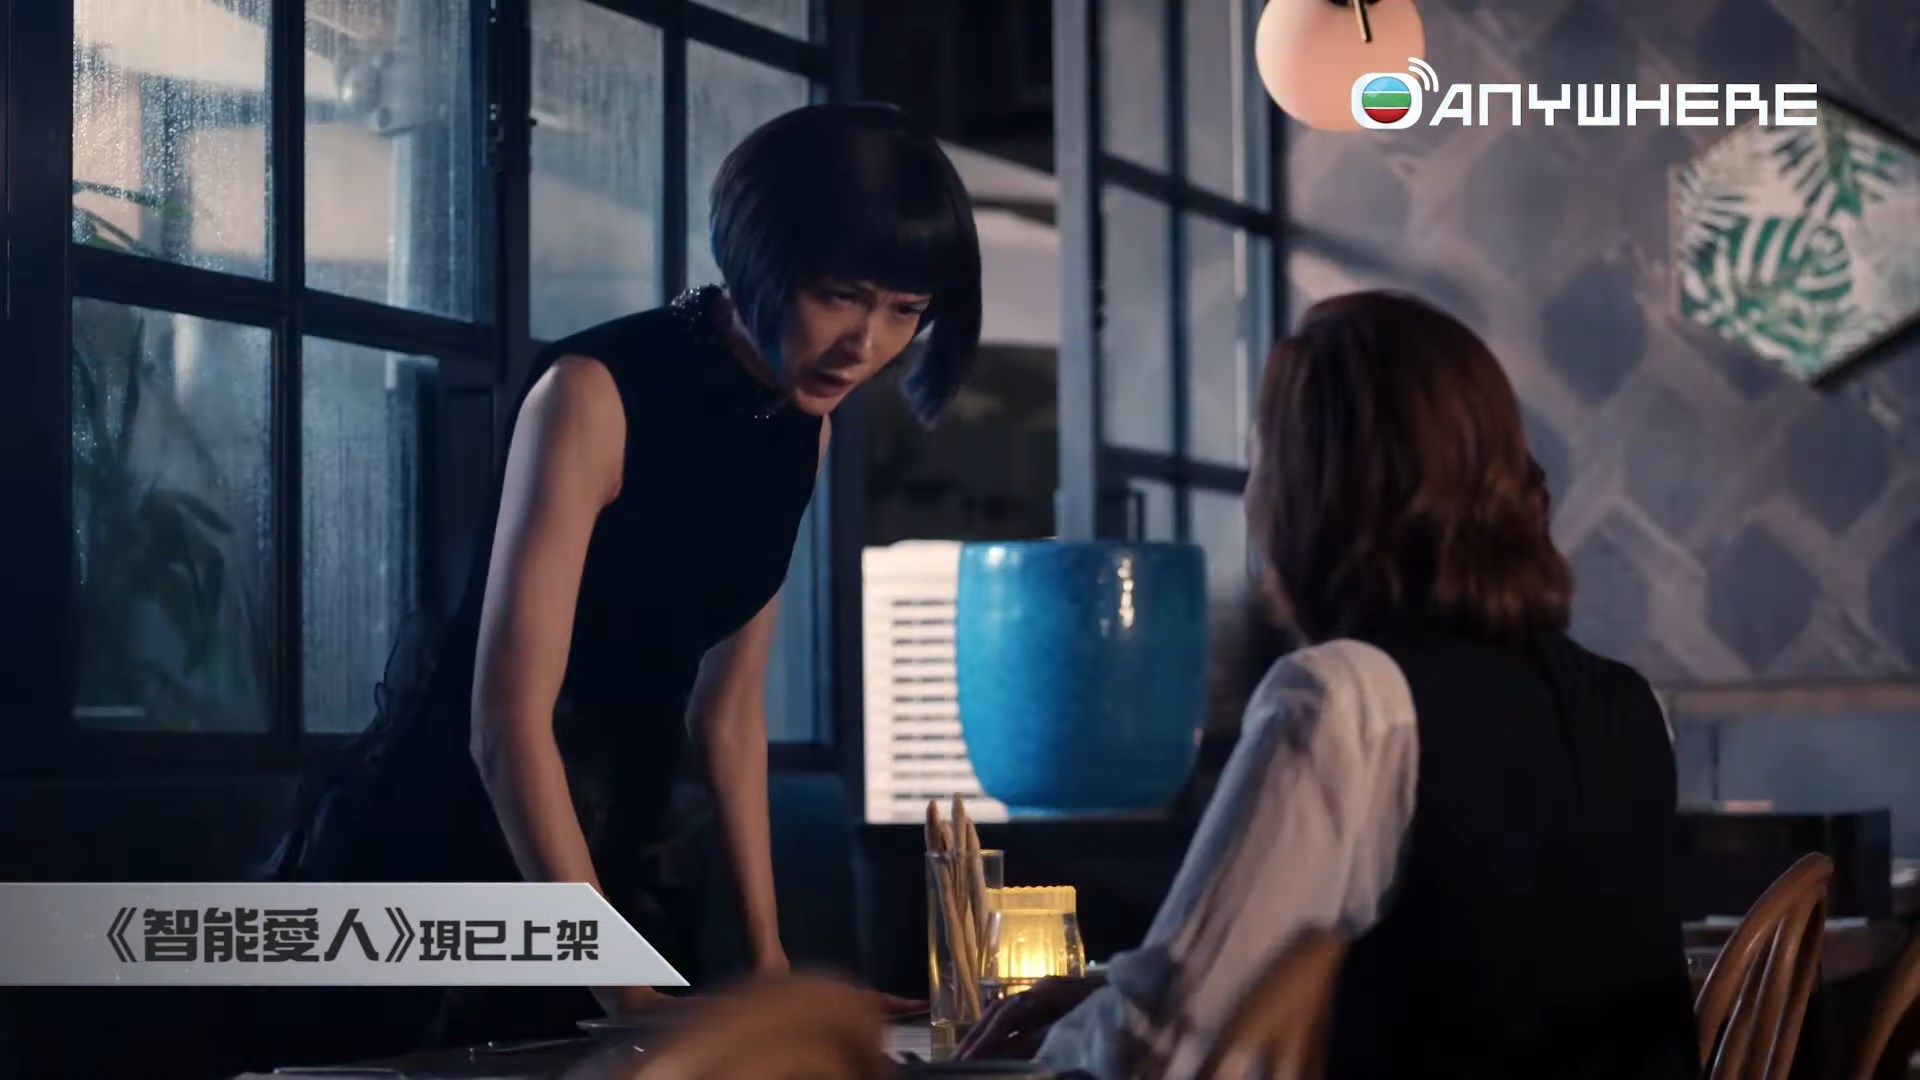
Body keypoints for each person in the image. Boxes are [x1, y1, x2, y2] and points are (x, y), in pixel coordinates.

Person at [244, 102, 981, 1065]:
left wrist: (767, 960)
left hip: (616, 867)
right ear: (759, 256)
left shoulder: (804, 431)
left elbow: (729, 714)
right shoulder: (593, 393)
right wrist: (618, 980)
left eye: (905, 311)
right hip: (454, 857)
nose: (867, 344)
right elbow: (504, 726)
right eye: (842, 295)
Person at [959, 292, 1698, 1079]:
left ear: (1312, 492)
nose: (1251, 499)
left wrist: (1046, 1049)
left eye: (1259, 463)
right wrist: (1101, 1000)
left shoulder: (1346, 697)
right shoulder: (1633, 708)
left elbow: (1164, 1045)